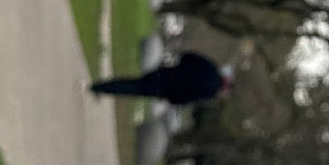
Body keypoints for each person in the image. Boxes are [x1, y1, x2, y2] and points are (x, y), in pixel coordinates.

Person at [89, 51, 232, 104]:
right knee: (132, 89)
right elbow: (188, 97)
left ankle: (102, 84)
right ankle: (101, 89)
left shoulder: (211, 67)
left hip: (166, 73)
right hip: (167, 90)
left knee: (133, 81)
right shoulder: (211, 92)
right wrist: (172, 99)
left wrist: (180, 67)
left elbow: (189, 56)